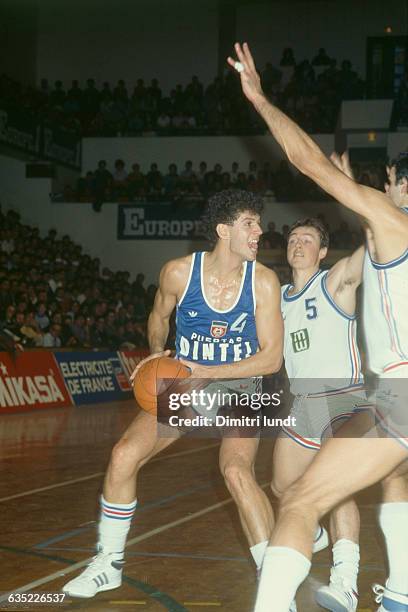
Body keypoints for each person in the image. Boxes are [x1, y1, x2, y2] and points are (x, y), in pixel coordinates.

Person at [228, 41, 408, 612]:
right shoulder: (283, 290)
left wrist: (260, 100)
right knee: (391, 479)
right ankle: (402, 589)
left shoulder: (383, 227)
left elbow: (306, 162)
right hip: (345, 397)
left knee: (303, 500)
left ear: (395, 184)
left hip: (389, 391)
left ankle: (316, 588)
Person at [63, 189, 284, 598]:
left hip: (240, 384)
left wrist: (210, 372)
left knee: (236, 471)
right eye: (249, 224)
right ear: (223, 230)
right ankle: (107, 564)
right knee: (124, 454)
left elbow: (271, 359)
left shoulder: (264, 282)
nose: (260, 231)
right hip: (187, 383)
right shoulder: (178, 273)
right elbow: (158, 317)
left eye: (258, 223)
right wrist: (154, 353)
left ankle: (275, 584)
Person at [273, 214, 368, 612]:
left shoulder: (333, 281)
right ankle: (311, 533)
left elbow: (371, 253)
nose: (297, 244)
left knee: (336, 487)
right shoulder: (276, 296)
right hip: (304, 403)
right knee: (282, 489)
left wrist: (390, 214)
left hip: (343, 398)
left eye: (308, 239)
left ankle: (345, 581)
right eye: (293, 238)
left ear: (323, 252)